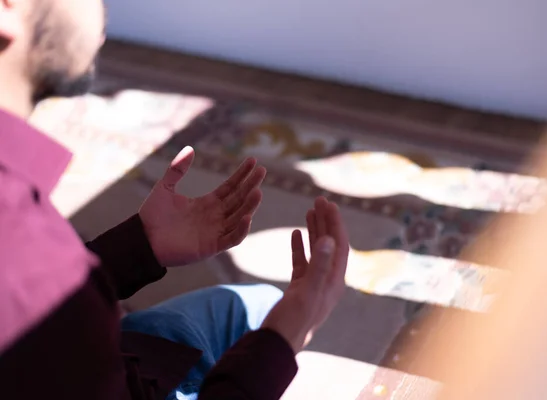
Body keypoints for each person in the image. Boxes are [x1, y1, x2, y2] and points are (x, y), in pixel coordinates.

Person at [0, 1, 350, 399]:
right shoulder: (27, 251)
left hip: (75, 356)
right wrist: (284, 339)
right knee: (268, 320)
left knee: (255, 307)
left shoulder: (28, 249)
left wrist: (138, 247)